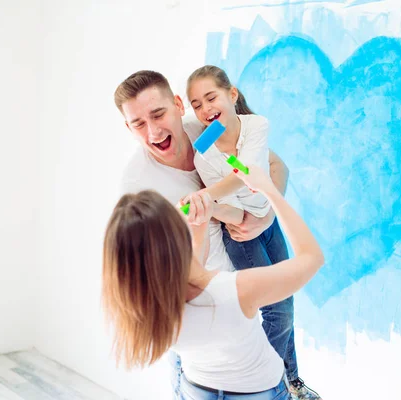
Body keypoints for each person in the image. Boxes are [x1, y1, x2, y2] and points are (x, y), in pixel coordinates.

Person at [114, 70, 322, 399]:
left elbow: (273, 166)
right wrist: (240, 212)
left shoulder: (206, 130)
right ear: (128, 128)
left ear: (179, 105)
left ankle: (289, 381)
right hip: (203, 323)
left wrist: (265, 213)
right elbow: (165, 274)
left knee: (280, 317)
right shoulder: (139, 187)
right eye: (138, 123)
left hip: (241, 301)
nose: (153, 131)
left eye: (158, 114)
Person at [101, 164, 324, 399]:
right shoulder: (235, 291)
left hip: (196, 390)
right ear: (176, 238)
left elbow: (194, 263)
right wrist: (269, 190)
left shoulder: (150, 303)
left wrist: (201, 222)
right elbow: (312, 258)